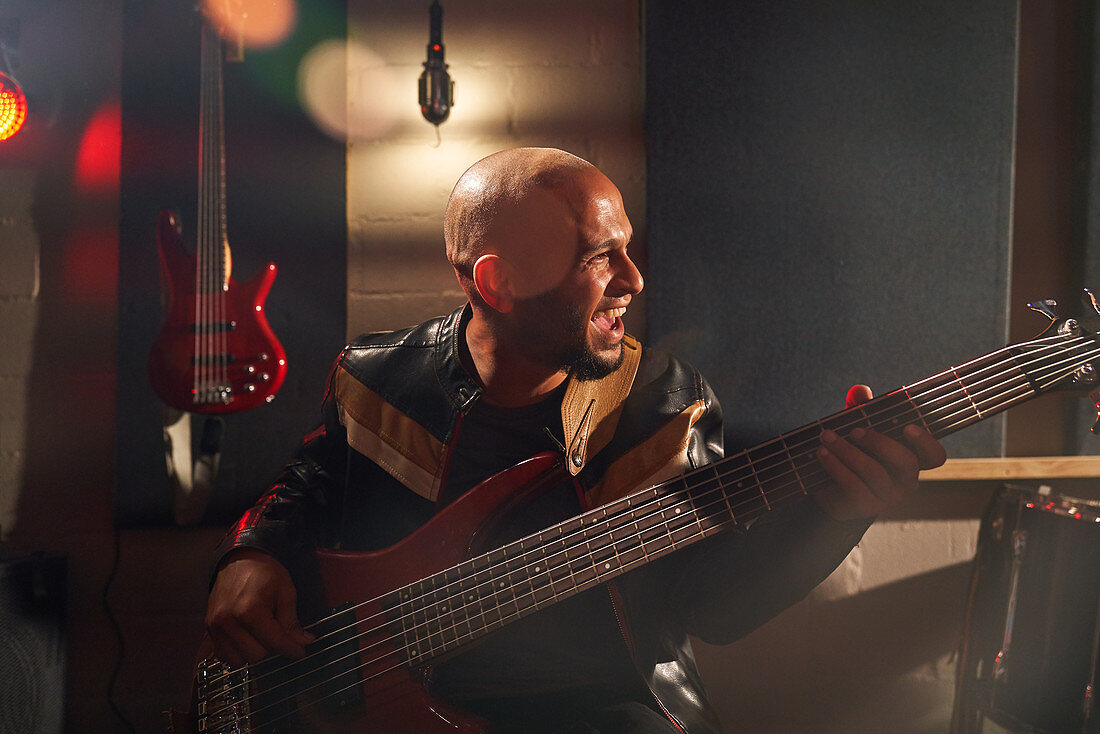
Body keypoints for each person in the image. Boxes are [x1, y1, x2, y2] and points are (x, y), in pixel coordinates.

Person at [203, 147, 947, 733]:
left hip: (598, 709)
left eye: (627, 247)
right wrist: (252, 550)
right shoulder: (373, 377)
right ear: (496, 283)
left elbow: (716, 608)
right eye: (600, 257)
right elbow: (311, 479)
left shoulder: (667, 405)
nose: (634, 279)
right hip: (373, 706)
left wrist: (833, 517)